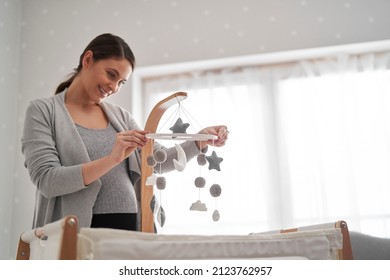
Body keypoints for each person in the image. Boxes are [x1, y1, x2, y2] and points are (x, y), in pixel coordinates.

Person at [21, 33, 229, 231]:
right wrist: (112, 159)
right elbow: (48, 181)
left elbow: (158, 160)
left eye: (121, 82)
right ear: (88, 59)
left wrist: (200, 139)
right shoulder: (42, 111)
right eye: (111, 75)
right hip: (78, 230)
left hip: (129, 227)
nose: (113, 87)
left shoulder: (121, 117)